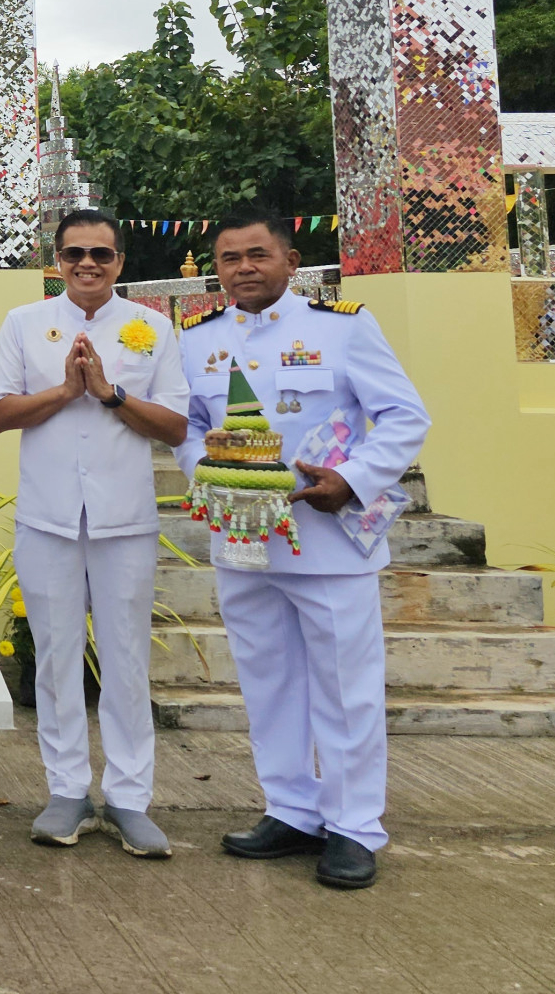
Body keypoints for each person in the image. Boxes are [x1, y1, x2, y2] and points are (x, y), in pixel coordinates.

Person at [183, 211, 429, 890]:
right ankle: (289, 810)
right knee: (268, 684)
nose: (242, 268)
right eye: (228, 258)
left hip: (328, 541)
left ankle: (352, 827)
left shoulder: (341, 327)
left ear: (290, 261)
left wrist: (351, 479)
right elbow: (189, 426)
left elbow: (405, 415)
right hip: (243, 541)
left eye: (256, 255)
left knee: (346, 691)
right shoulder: (196, 341)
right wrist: (205, 471)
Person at [0, 208, 189, 858]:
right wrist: (66, 390)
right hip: (47, 517)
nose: (87, 265)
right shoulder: (24, 323)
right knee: (54, 656)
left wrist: (108, 393)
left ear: (120, 262)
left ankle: (128, 798)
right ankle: (66, 790)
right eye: (74, 254)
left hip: (123, 518)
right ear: (58, 261)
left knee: (126, 660)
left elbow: (175, 425)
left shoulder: (152, 327)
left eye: (100, 254)